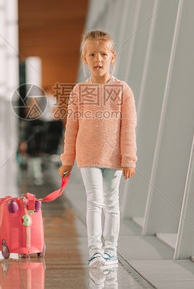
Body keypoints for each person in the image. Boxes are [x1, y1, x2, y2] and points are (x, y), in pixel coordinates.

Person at [58, 30, 137, 268]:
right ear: (85, 59)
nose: (98, 59)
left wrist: (129, 158)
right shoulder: (79, 92)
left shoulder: (123, 90)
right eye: (92, 54)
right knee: (94, 200)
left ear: (112, 57)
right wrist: (67, 160)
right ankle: (96, 251)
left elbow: (128, 127)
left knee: (111, 203)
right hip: (88, 156)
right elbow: (71, 128)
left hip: (114, 158)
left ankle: (111, 250)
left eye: (103, 54)